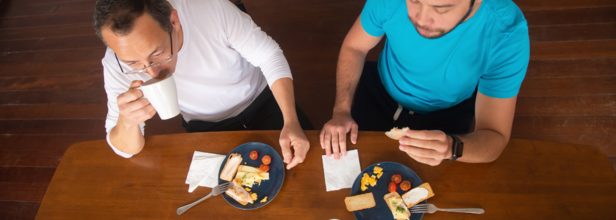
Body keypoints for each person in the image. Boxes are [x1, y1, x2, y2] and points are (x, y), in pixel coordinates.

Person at [93, 0, 313, 169]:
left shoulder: (209, 8)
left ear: (174, 21)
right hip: (205, 124)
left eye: (158, 53)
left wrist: (290, 120)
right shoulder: (116, 64)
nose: (152, 72)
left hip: (263, 99)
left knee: (309, 163)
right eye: (133, 63)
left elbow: (269, 56)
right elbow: (124, 150)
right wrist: (128, 123)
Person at [320, 0, 530, 165]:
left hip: (445, 116)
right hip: (378, 92)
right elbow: (355, 47)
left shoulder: (507, 34)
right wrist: (341, 110)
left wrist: (452, 148)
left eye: (441, 9)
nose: (420, 19)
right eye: (414, 0)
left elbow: (496, 137)